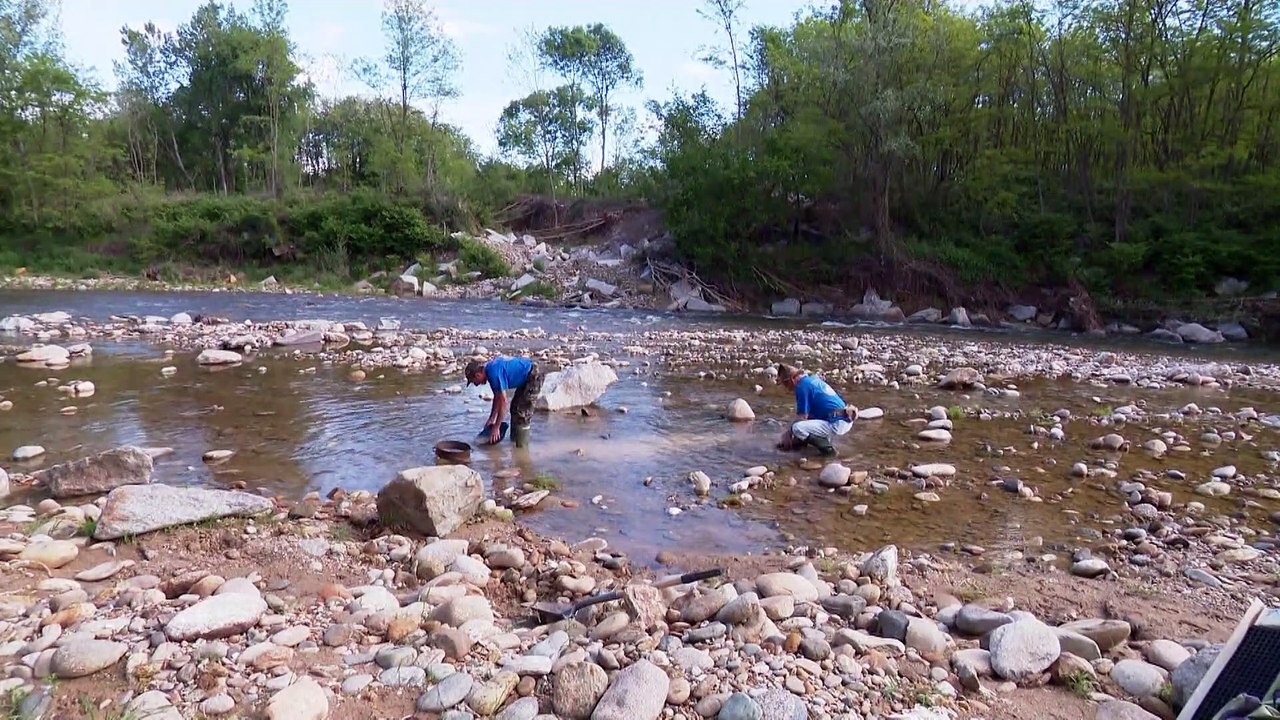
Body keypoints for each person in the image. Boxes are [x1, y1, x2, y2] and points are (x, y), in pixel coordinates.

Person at [775, 363, 855, 456]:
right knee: (803, 426)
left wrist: (788, 434)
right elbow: (809, 416)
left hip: (837, 422)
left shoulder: (802, 387)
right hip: (844, 418)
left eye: (785, 383)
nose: (786, 388)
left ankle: (828, 451)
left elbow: (802, 416)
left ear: (791, 380)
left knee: (797, 428)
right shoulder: (811, 380)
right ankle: (804, 444)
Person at [465, 355, 544, 448]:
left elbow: (503, 402)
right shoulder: (489, 370)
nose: (476, 384)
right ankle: (514, 442)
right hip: (526, 376)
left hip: (533, 375)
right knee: (514, 408)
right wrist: (492, 418)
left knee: (523, 413)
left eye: (474, 381)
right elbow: (497, 398)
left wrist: (496, 427)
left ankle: (522, 450)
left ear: (478, 375)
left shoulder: (493, 373)